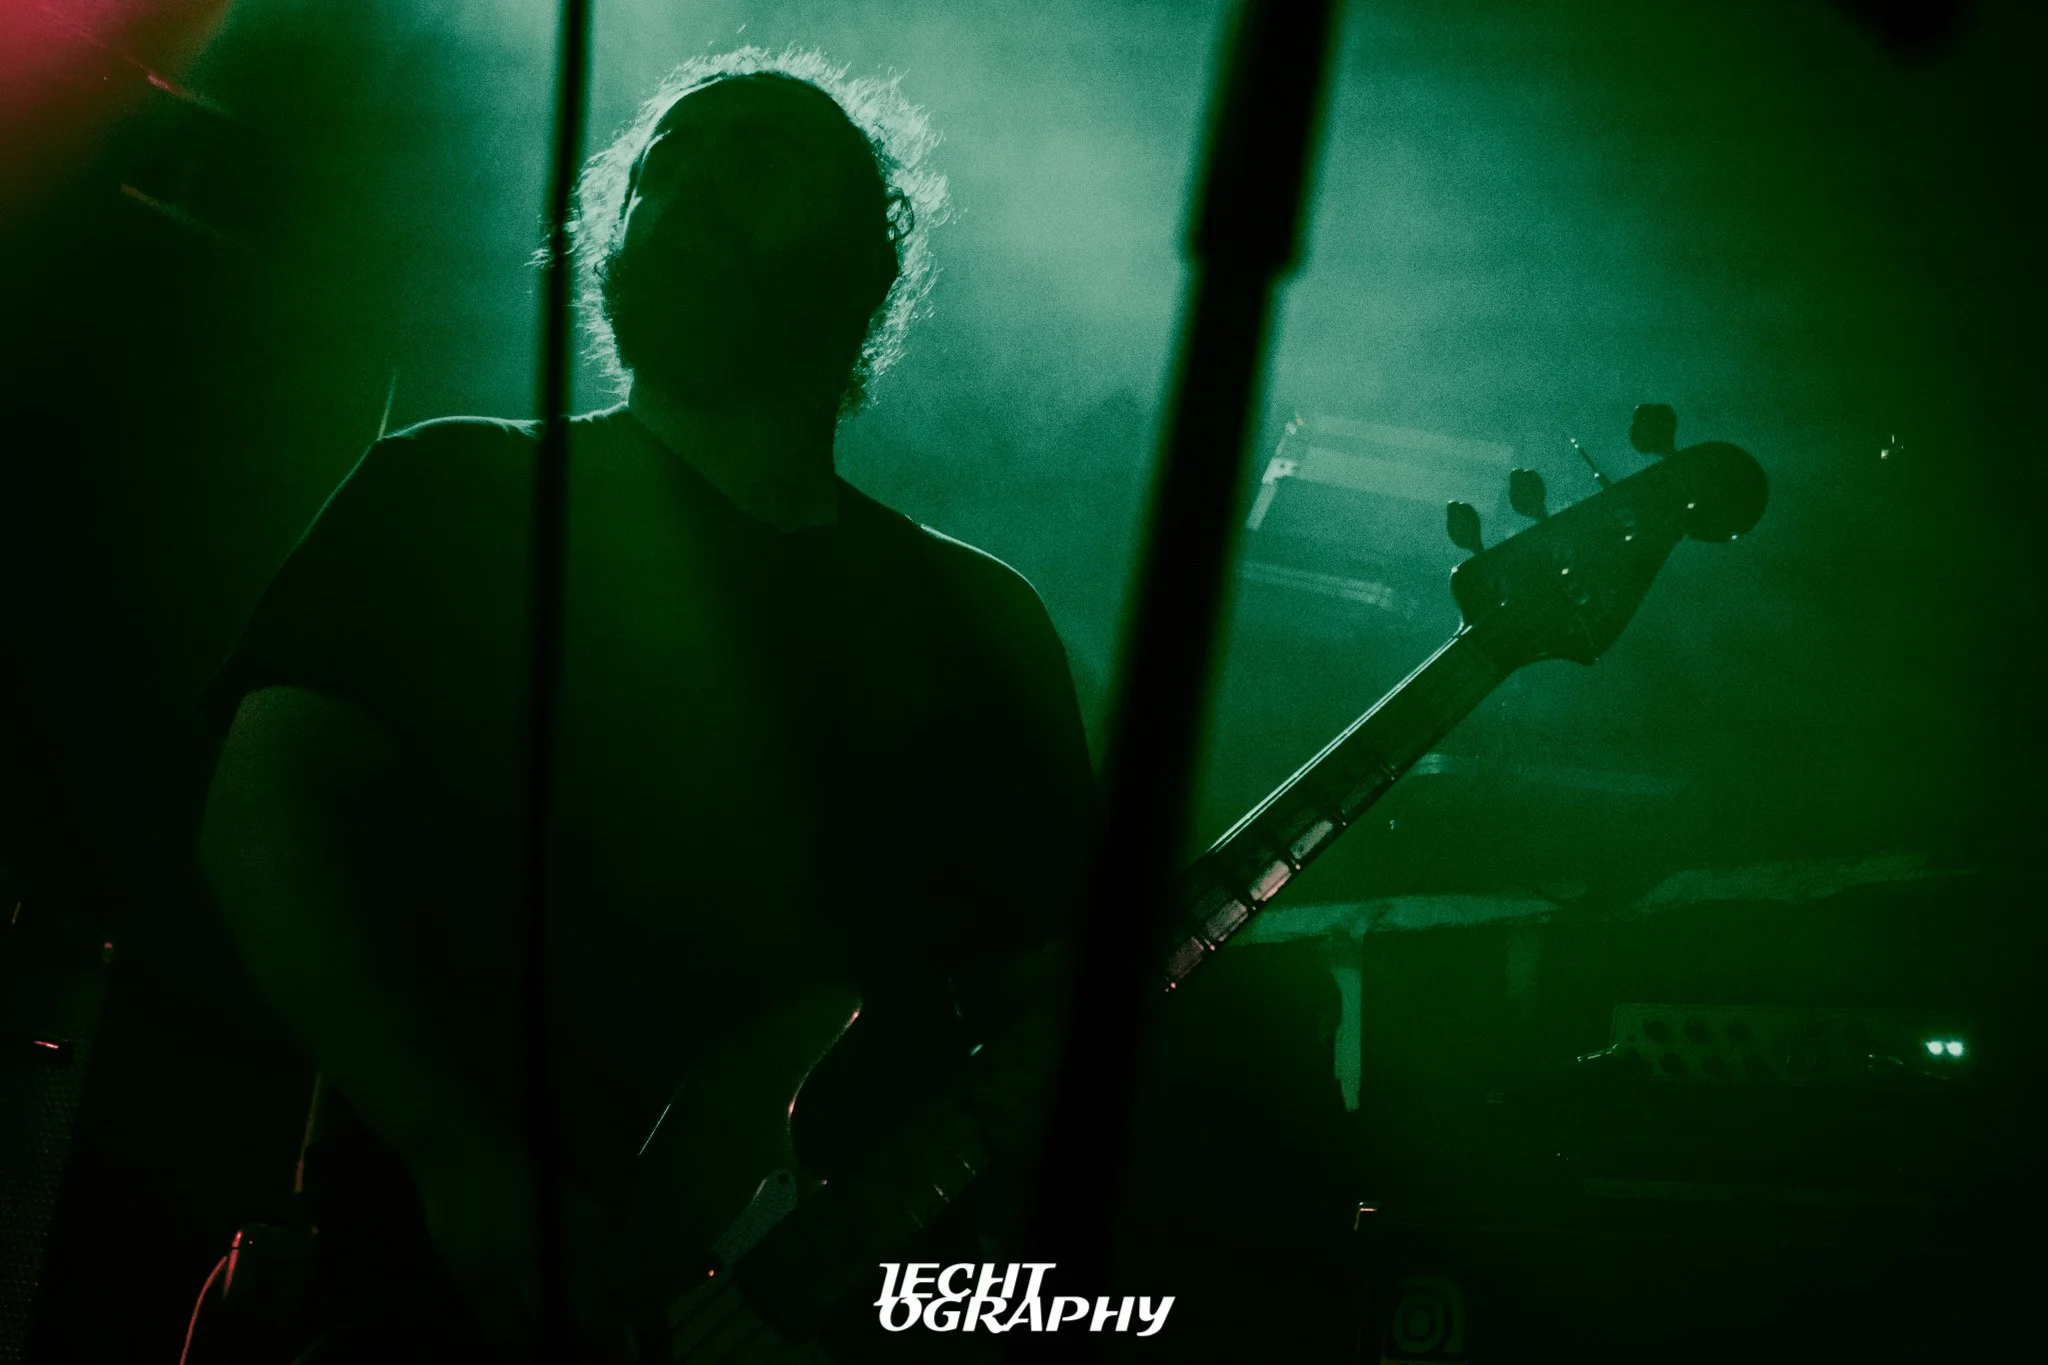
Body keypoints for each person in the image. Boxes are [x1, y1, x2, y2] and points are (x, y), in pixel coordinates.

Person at [197, 49, 1094, 1359]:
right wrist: (454, 1151)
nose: (696, 183)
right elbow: (259, 821)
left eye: (758, 157)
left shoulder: (980, 621)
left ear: (870, 265)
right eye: (665, 166)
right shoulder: (454, 491)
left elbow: (1035, 993)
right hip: (423, 1295)